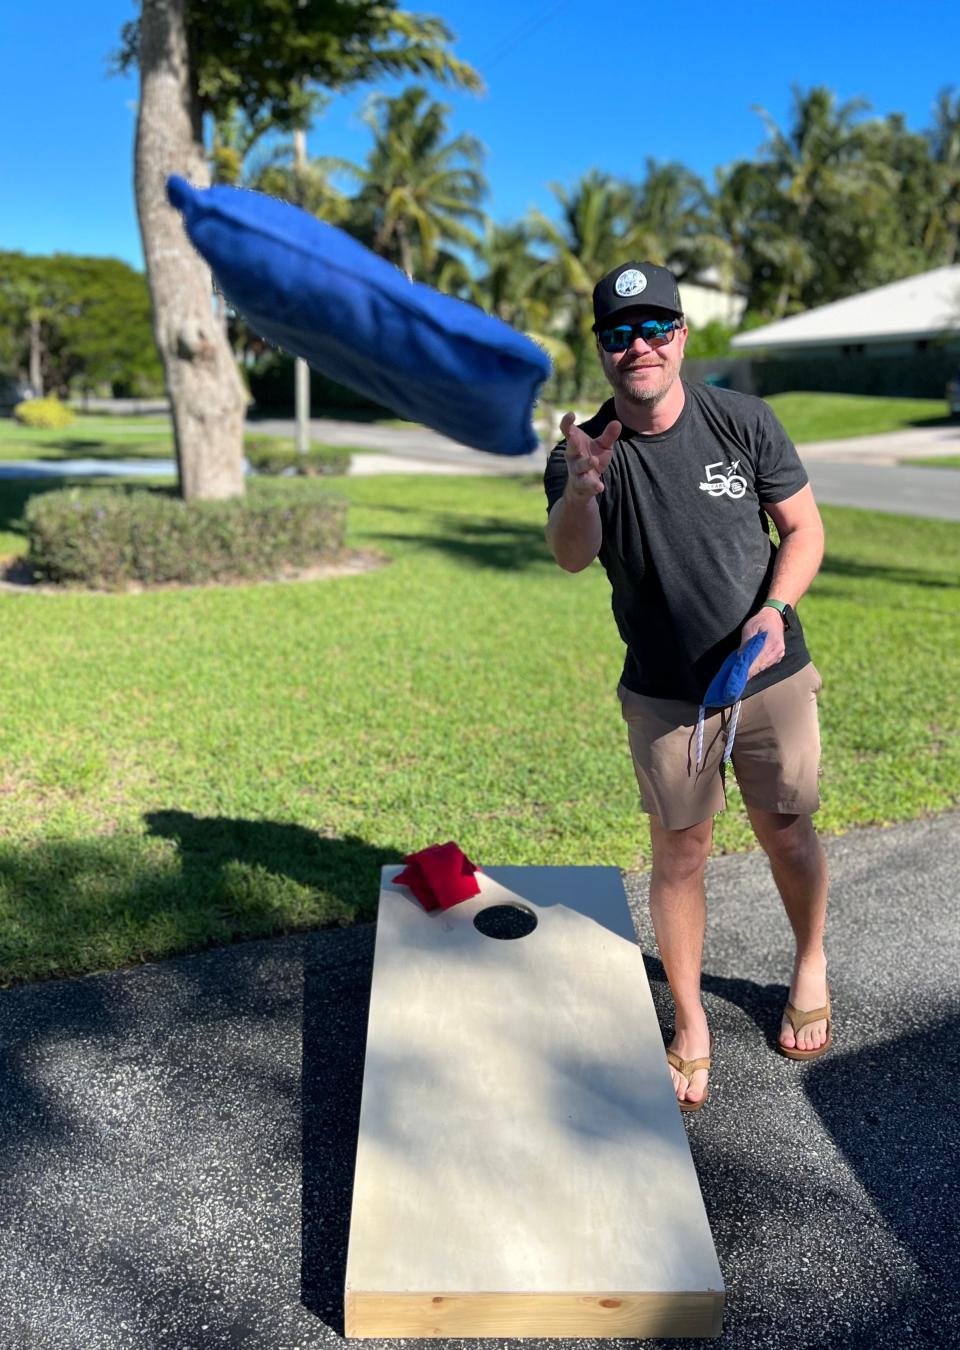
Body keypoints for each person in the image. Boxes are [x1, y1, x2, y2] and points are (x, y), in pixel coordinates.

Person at [543, 260, 831, 1112]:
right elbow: (569, 552)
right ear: (602, 349)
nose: (639, 346)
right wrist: (583, 487)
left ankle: (810, 958)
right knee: (682, 854)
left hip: (769, 671)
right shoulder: (585, 450)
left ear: (681, 335)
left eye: (654, 328)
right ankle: (692, 1018)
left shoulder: (743, 421)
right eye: (619, 333)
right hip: (668, 694)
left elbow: (804, 528)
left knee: (787, 832)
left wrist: (775, 608)